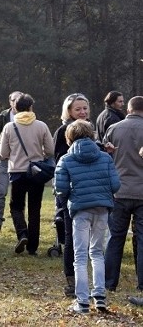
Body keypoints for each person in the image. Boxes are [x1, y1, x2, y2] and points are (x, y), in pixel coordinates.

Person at [54, 119, 120, 315]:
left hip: (80, 210)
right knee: (97, 253)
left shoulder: (66, 159)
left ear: (69, 138)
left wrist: (67, 198)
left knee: (80, 256)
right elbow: (115, 185)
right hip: (102, 208)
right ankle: (99, 296)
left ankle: (82, 301)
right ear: (92, 136)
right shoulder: (105, 158)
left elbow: (60, 188)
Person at [0, 93, 54, 255]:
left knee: (16, 207)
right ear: (31, 107)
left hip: (17, 172)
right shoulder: (41, 126)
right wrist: (39, 154)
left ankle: (22, 233)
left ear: (15, 108)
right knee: (35, 209)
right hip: (36, 172)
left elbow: (3, 153)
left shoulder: (9, 127)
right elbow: (50, 150)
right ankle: (33, 247)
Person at [53, 93, 91, 298]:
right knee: (70, 236)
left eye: (85, 108)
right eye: (78, 109)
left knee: (90, 238)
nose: (83, 112)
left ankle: (88, 278)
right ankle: (71, 280)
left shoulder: (91, 129)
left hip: (90, 190)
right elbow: (59, 161)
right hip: (70, 191)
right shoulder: (62, 132)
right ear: (69, 111)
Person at [104, 95, 143, 293]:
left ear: (128, 110)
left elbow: (106, 156)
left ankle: (109, 283)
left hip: (119, 191)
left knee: (115, 237)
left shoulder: (114, 129)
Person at [0, 91, 23, 231]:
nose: (17, 102)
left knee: (19, 193)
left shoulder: (29, 116)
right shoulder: (3, 116)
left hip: (21, 161)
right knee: (1, 191)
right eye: (14, 100)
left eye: (20, 99)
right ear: (10, 101)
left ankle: (20, 224)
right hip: (5, 160)